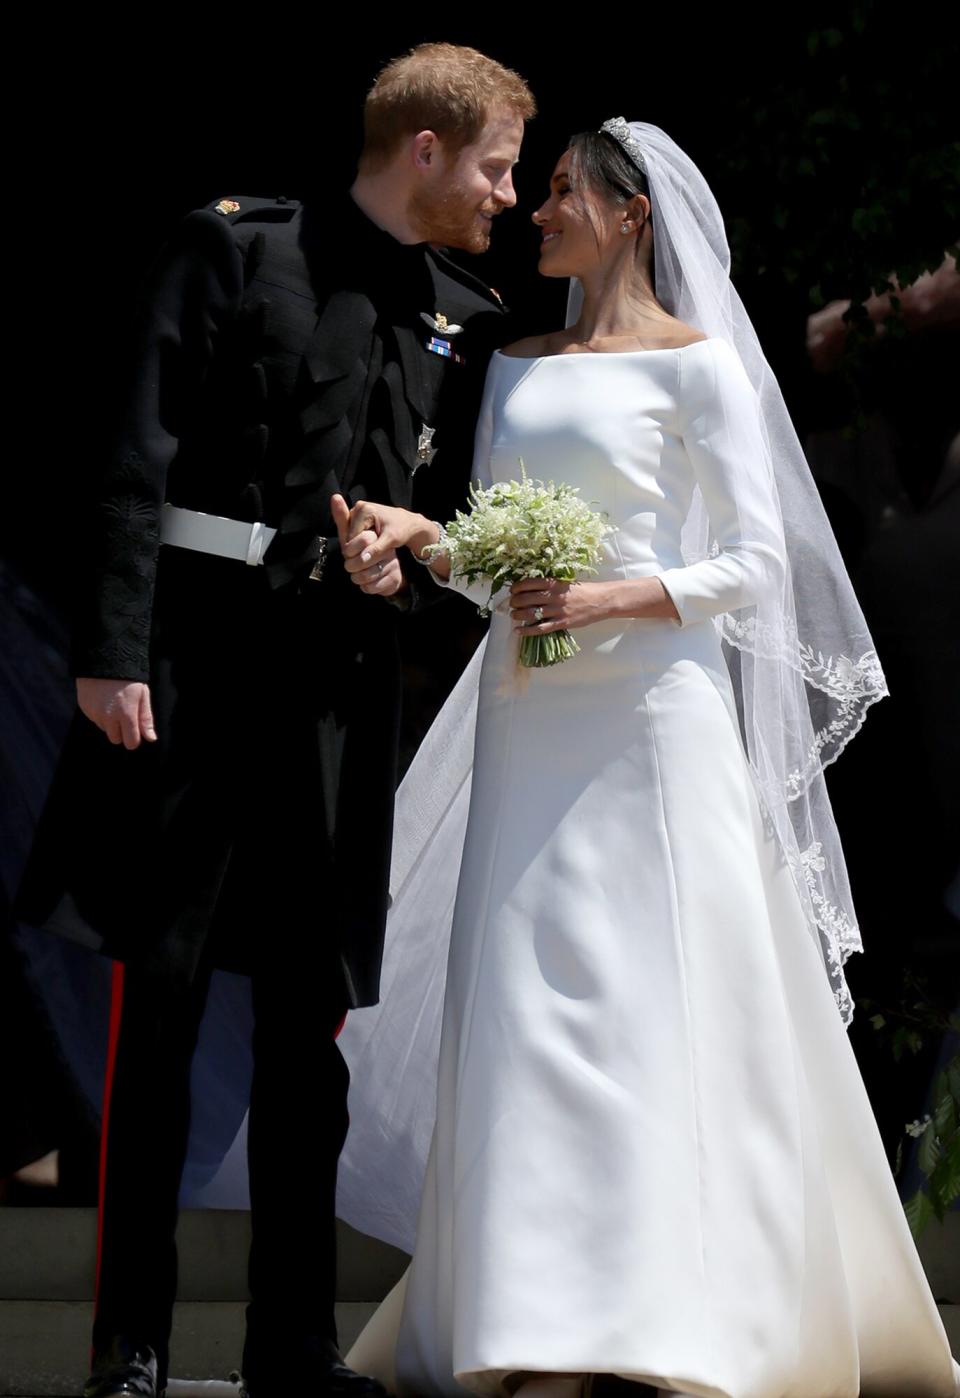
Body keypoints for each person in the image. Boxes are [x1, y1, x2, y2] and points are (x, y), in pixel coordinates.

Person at [327, 122, 960, 1397]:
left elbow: (757, 567)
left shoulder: (702, 372)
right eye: (542, 188)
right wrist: (423, 543)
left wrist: (612, 597)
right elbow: (498, 564)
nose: (539, 210)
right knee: (529, 1008)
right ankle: (532, 1325)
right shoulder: (512, 369)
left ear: (630, 217)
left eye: (561, 193)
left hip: (654, 728)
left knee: (653, 1002)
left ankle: (670, 1321)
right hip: (530, 714)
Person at [14, 43, 535, 1398]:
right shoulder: (236, 250)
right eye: (495, 165)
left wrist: (397, 575)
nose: (511, 196)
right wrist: (113, 648)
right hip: (187, 681)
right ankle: (128, 1341)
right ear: (423, 147)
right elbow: (134, 450)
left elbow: (431, 524)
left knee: (310, 1035)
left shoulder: (454, 309)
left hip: (335, 705)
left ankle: (290, 1346)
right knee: (162, 1020)